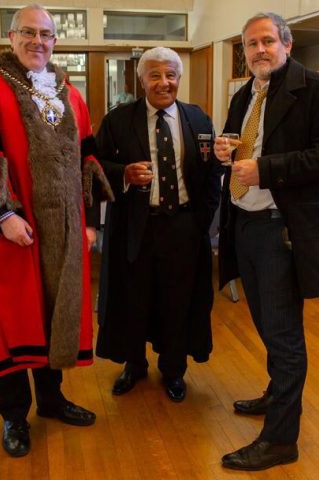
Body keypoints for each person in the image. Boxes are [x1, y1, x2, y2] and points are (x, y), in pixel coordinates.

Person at [0, 4, 113, 458]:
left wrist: (89, 222)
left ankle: (52, 399)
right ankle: (14, 414)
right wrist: (1, 216)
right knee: (12, 321)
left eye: (46, 34)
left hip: (64, 229)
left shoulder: (69, 93)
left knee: (54, 313)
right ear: (11, 38)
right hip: (12, 229)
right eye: (28, 33)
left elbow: (86, 157)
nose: (38, 41)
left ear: (55, 41)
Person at [214, 12, 319, 471]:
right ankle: (277, 395)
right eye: (252, 44)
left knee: (284, 335)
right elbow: (240, 142)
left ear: (286, 44)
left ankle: (280, 440)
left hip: (282, 228)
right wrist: (225, 148)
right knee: (267, 325)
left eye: (268, 41)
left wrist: (266, 170)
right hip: (245, 222)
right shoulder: (244, 94)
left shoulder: (317, 88)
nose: (260, 50)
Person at [96, 47, 222, 403]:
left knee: (178, 301)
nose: (163, 82)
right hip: (135, 227)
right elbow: (94, 166)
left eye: (170, 75)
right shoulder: (118, 120)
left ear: (179, 78)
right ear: (142, 80)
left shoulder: (198, 119)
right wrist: (123, 174)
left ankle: (173, 369)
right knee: (133, 299)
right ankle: (134, 364)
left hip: (183, 226)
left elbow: (212, 172)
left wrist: (201, 221)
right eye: (155, 75)